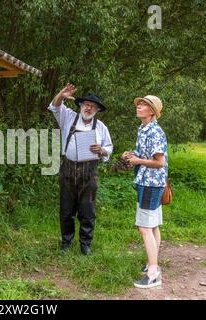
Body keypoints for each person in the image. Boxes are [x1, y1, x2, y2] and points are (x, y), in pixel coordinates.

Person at [48, 84, 113, 255]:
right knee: (66, 209)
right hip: (68, 169)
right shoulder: (68, 117)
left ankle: (86, 245)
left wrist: (102, 150)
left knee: (87, 210)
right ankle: (66, 243)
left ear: (97, 110)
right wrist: (61, 95)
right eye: (86, 104)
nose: (89, 107)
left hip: (89, 172)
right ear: (80, 105)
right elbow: (54, 106)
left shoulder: (101, 127)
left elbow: (109, 148)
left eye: (93, 106)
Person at [122, 95, 168, 289]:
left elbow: (159, 162)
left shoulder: (155, 132)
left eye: (143, 105)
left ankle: (153, 273)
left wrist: (138, 161)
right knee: (154, 224)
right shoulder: (143, 129)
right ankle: (152, 264)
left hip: (151, 183)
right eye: (139, 104)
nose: (139, 107)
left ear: (152, 112)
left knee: (144, 227)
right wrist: (132, 155)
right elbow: (146, 155)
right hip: (146, 182)